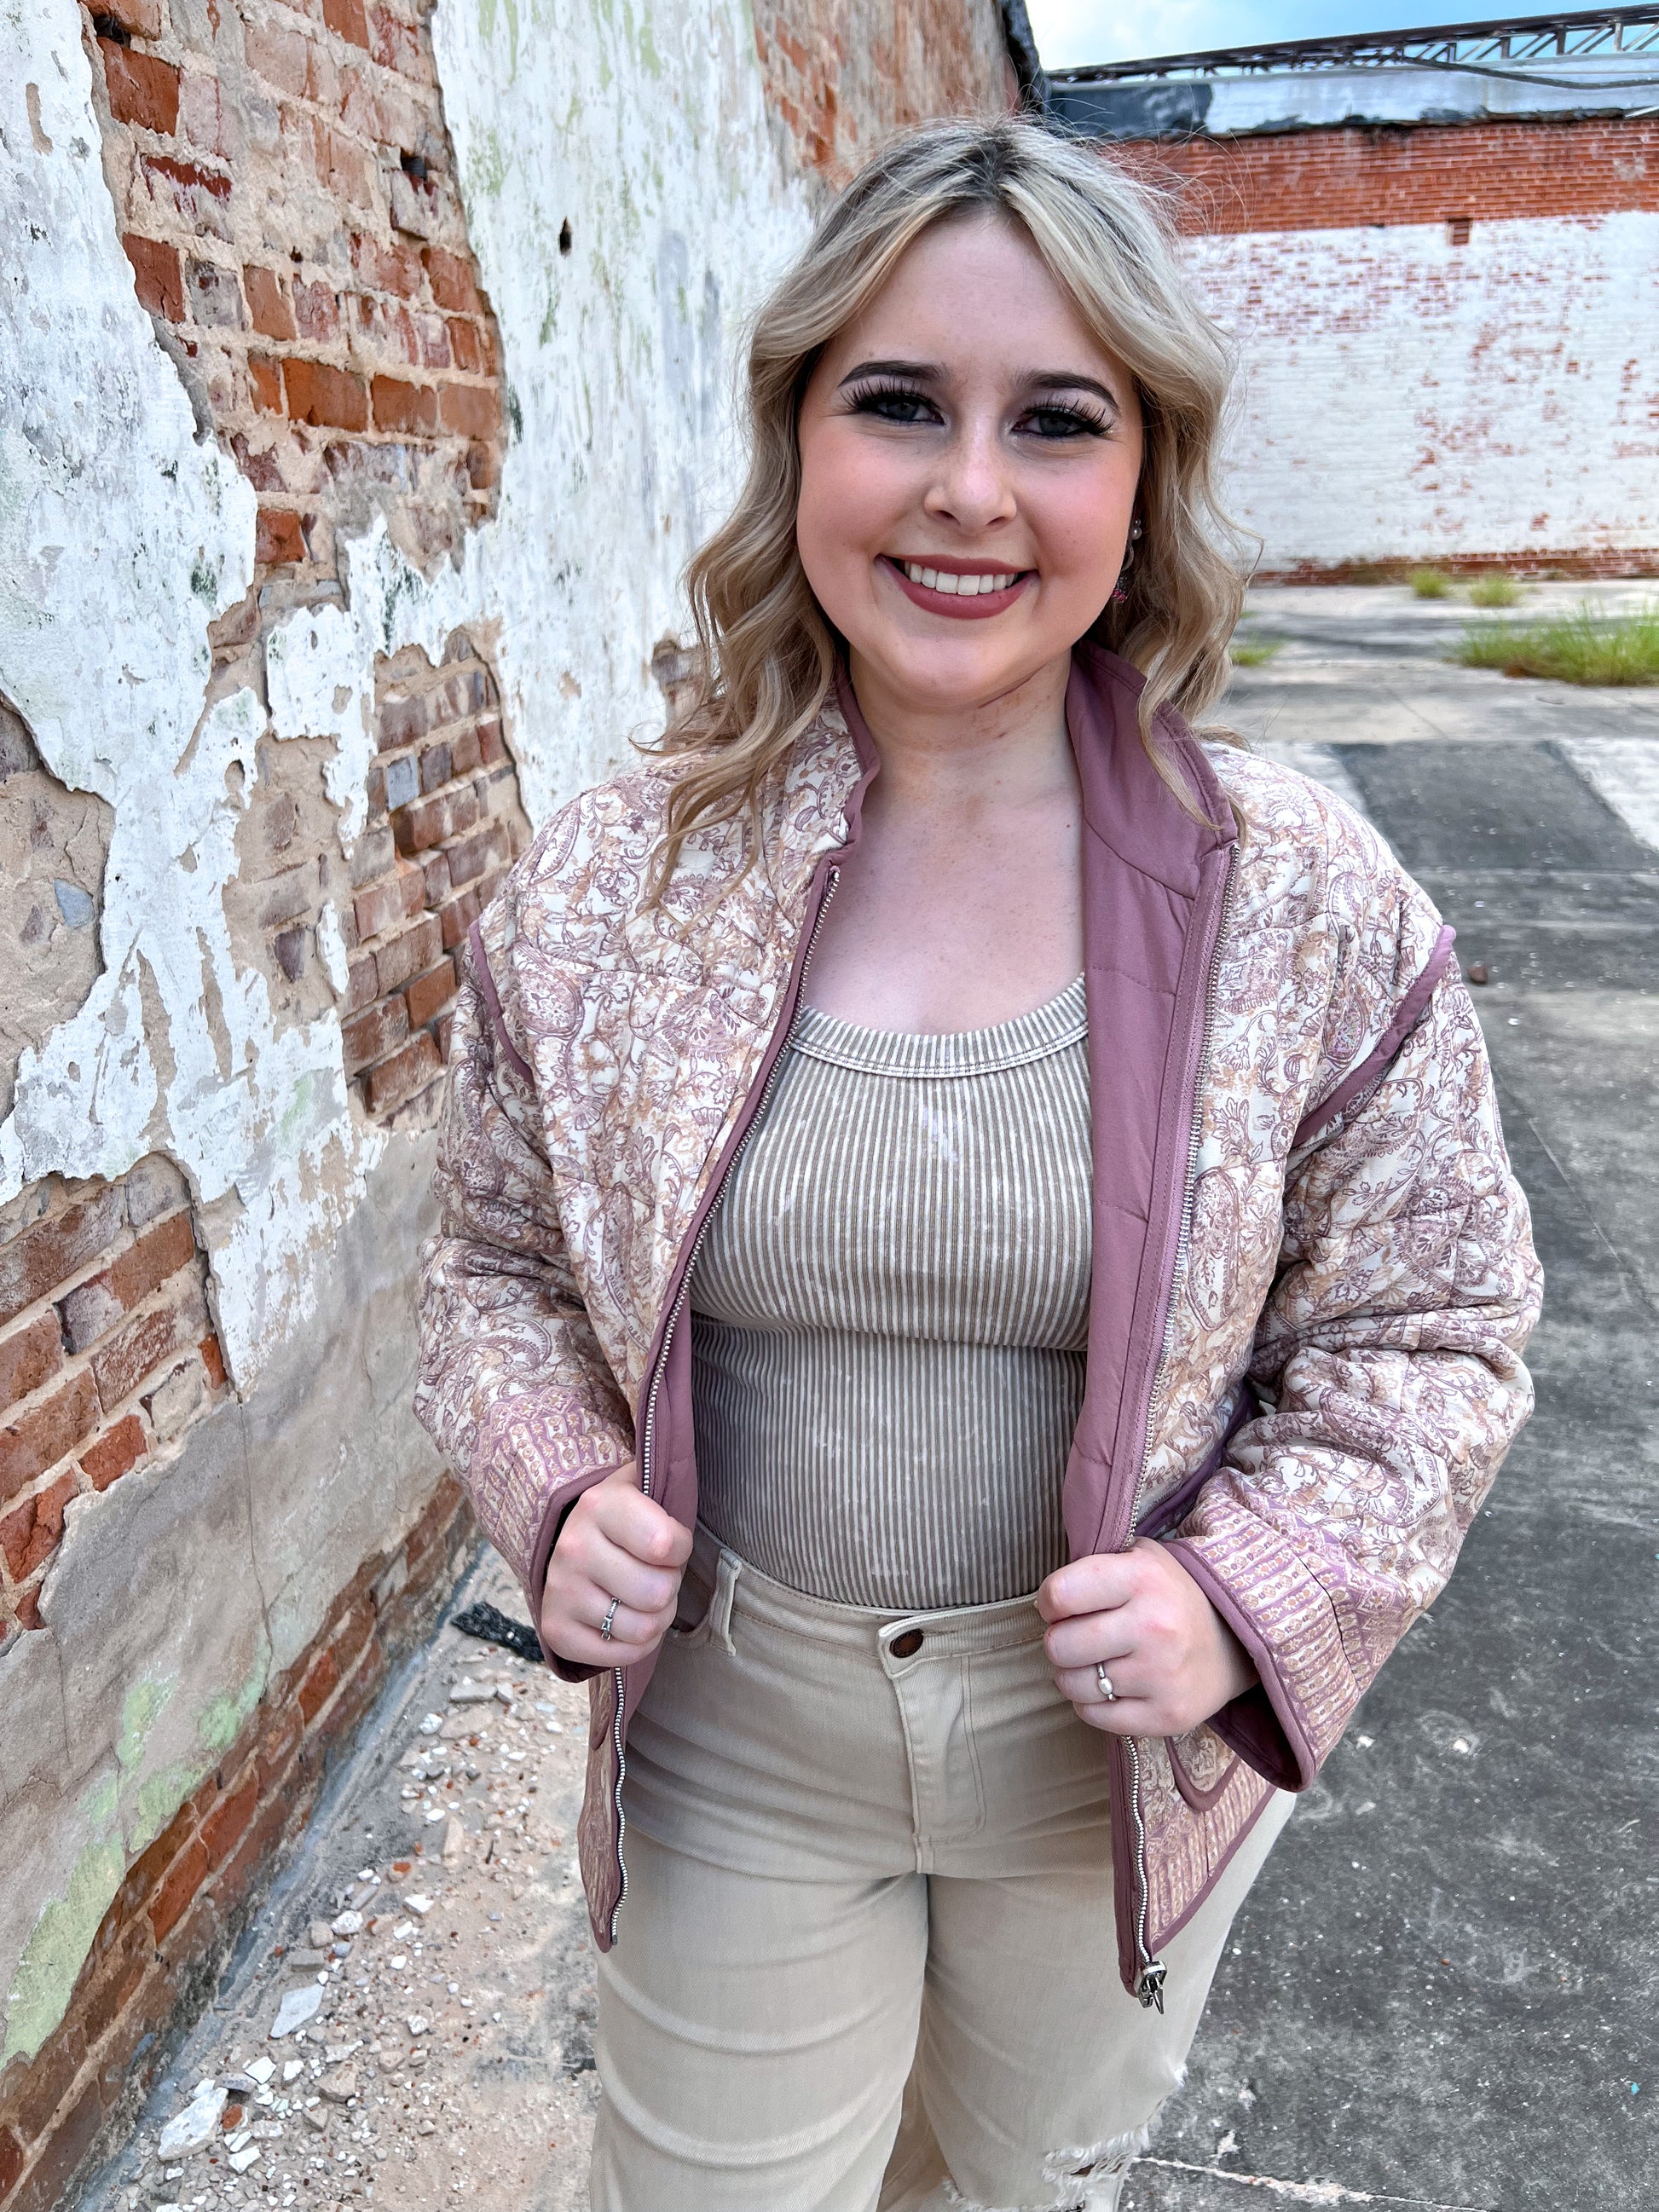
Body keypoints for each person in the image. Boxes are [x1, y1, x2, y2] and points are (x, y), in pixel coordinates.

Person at [415, 118, 1541, 2212]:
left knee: (1015, 2190)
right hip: (736, 1740)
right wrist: (552, 1485)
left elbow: (1436, 1325)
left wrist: (1244, 1594)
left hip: (1103, 1769)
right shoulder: (612, 880)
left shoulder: (1299, 897)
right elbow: (491, 1257)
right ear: (798, 436)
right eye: (899, 403)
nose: (968, 488)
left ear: (1145, 476)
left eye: (1055, 420)